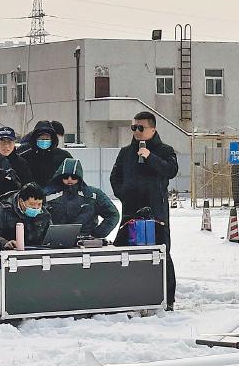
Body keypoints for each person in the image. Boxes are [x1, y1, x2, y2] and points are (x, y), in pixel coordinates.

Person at [110, 111, 179, 310]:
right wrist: (123, 193)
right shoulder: (125, 152)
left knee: (161, 252)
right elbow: (115, 176)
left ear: (153, 129)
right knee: (124, 251)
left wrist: (150, 157)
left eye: (141, 128)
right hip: (130, 209)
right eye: (134, 127)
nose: (137, 131)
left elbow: (171, 170)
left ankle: (167, 299)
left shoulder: (165, 150)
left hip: (156, 211)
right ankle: (126, 296)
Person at [44, 158, 119, 237]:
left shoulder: (93, 195)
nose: (69, 179)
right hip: (56, 240)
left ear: (79, 177)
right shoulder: (48, 195)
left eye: (74, 177)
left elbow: (113, 215)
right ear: (60, 177)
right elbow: (39, 217)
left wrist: (97, 234)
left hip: (85, 240)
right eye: (65, 176)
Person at [0, 182, 52, 249]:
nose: (36, 208)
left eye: (39, 204)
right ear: (21, 201)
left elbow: (51, 234)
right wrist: (4, 243)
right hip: (9, 252)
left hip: (37, 252)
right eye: (32, 204)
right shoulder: (2, 211)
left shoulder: (45, 214)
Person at [17, 119, 72, 187]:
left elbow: (74, 177)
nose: (44, 140)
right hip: (31, 193)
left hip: (56, 192)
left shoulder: (63, 156)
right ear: (35, 139)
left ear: (52, 139)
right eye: (41, 138)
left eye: (47, 138)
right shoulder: (25, 157)